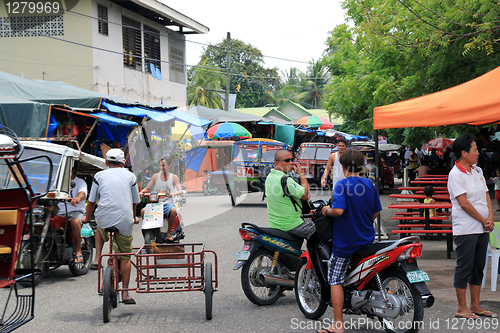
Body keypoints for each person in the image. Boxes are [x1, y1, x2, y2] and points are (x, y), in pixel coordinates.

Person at [319, 149, 382, 333]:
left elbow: (338, 211)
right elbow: (377, 211)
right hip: (367, 239)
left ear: (343, 166)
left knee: (335, 278)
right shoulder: (370, 184)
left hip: (346, 242)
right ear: (361, 166)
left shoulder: (342, 185)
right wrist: (364, 221)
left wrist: (326, 210)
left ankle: (338, 325)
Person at [82, 148, 140, 305]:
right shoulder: (130, 176)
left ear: (106, 162)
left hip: (104, 217)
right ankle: (126, 294)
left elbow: (92, 201)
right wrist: (134, 217)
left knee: (99, 225)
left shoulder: (99, 176)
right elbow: (135, 201)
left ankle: (97, 257)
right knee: (125, 256)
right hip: (124, 219)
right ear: (123, 163)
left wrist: (87, 217)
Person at [447, 134, 496, 319]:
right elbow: (464, 203)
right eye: (475, 149)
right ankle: (462, 307)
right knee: (464, 266)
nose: (478, 153)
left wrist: (490, 216)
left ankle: (475, 305)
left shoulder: (478, 171)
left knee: (478, 266)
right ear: (464, 152)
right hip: (466, 228)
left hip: (482, 228)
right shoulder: (455, 174)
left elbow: (486, 196)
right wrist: (483, 220)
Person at [265, 149, 314, 239]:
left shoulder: (270, 176)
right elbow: (306, 195)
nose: (291, 163)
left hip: (275, 223)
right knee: (320, 233)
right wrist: (301, 174)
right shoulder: (285, 180)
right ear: (276, 163)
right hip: (292, 224)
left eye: (292, 160)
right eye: (287, 160)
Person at [139, 156, 183, 241]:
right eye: (160, 165)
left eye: (164, 165)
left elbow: (180, 191)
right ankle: (148, 230)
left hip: (168, 203)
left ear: (169, 166)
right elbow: (147, 188)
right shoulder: (155, 176)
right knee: (143, 211)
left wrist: (173, 193)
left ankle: (169, 233)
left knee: (173, 211)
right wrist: (141, 192)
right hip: (155, 203)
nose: (162, 167)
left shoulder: (174, 177)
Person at [57, 162, 87, 263]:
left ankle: (78, 250)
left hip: (76, 211)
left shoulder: (80, 182)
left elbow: (82, 193)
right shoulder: (58, 182)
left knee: (74, 222)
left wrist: (77, 198)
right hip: (59, 212)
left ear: (73, 170)